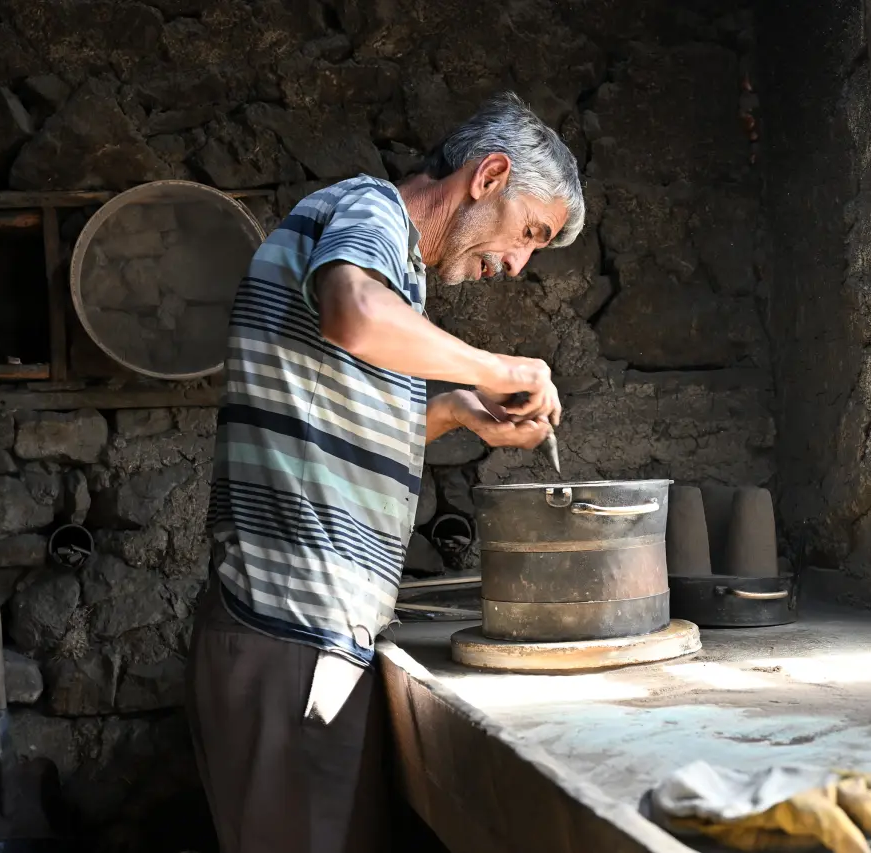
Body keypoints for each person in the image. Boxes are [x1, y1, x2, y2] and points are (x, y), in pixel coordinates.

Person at [186, 91, 584, 853]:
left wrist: (459, 410)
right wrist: (499, 365)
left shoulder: (396, 266)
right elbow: (353, 314)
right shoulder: (368, 210)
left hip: (309, 636)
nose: (517, 263)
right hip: (287, 632)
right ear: (489, 175)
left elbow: (329, 414)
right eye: (529, 232)